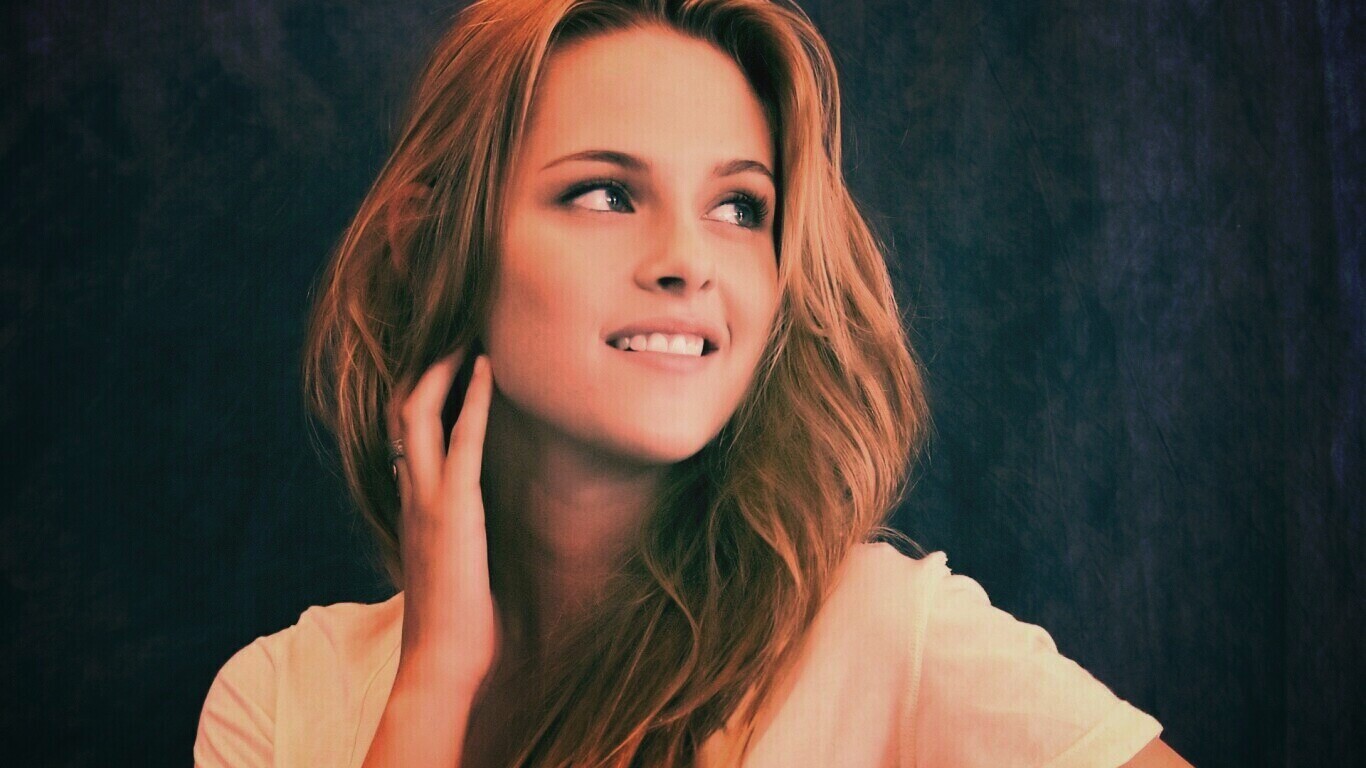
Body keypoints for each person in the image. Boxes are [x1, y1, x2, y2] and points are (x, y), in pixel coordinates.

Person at [194, 0, 1193, 765]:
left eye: (738, 207)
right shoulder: (283, 699)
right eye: (604, 193)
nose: (688, 261)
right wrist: (435, 680)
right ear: (428, 242)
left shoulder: (886, 637)